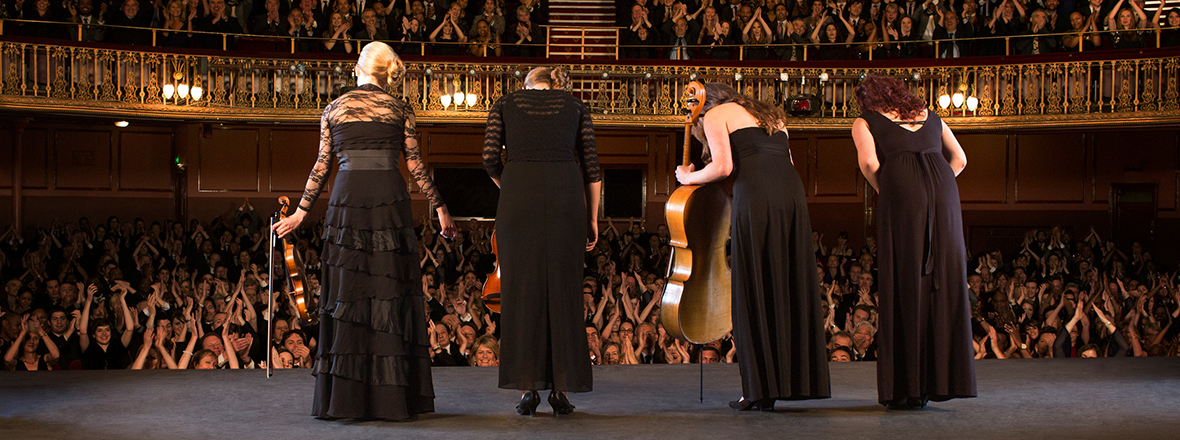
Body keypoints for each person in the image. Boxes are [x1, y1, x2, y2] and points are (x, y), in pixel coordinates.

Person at [272, 41, 458, 422]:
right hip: (389, 200)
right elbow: (416, 164)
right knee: (389, 293)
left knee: (349, 294)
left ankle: (348, 400)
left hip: (347, 200)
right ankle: (392, 400)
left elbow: (322, 167)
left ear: (358, 67)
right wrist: (441, 208)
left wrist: (301, 214)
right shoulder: (400, 109)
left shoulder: (334, 109)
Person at [674, 83, 831, 411]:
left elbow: (724, 168)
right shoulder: (772, 115)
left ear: (707, 105)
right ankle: (796, 382)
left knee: (754, 286)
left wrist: (688, 177)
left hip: (757, 195)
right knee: (787, 282)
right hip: (790, 194)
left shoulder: (717, 114)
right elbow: (783, 159)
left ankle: (759, 390)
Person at [850, 75, 976, 410]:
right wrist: (936, 188)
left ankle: (906, 387)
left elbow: (869, 164)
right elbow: (960, 160)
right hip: (944, 190)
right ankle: (944, 380)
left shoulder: (864, 121)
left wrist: (892, 192)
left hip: (902, 193)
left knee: (906, 279)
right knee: (943, 281)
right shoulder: (930, 113)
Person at [482, 66, 602, 416]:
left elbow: (489, 158)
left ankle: (527, 391)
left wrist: (514, 187)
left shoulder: (504, 104)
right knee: (564, 292)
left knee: (521, 294)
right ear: (554, 86)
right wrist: (591, 218)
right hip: (566, 197)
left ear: (526, 86)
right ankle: (561, 392)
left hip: (518, 197)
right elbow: (592, 166)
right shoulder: (576, 106)